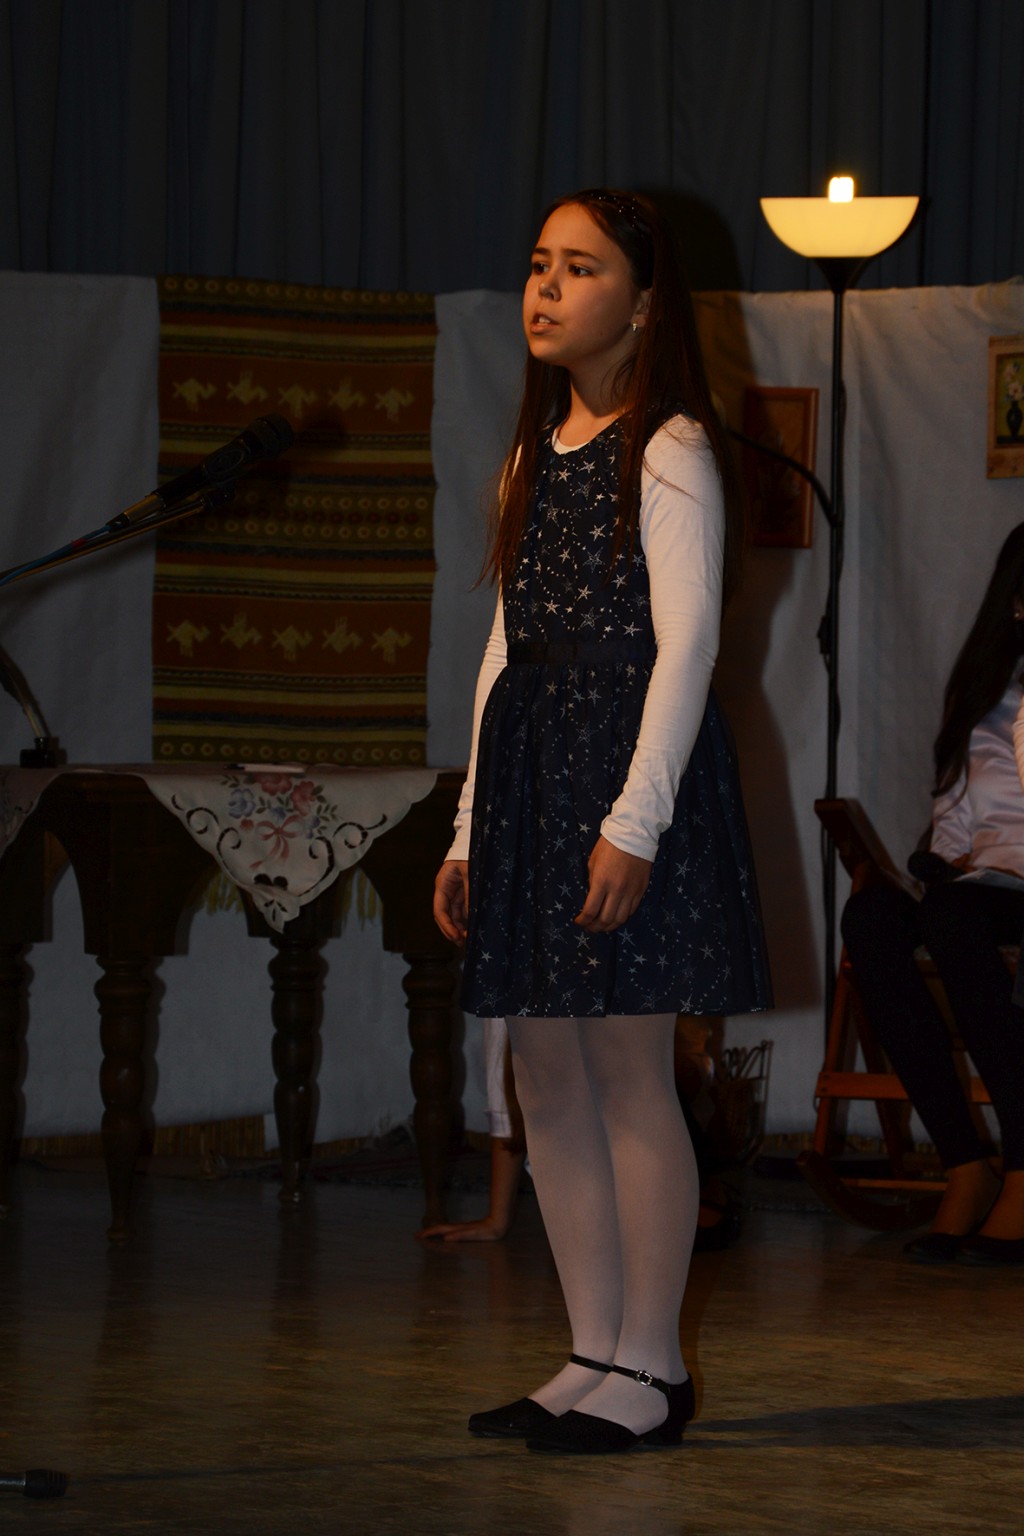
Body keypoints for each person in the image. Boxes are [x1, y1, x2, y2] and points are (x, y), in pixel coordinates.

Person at [433, 187, 771, 1455]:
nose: (546, 287)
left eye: (579, 268)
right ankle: (590, 1350)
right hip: (533, 778)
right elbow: (501, 650)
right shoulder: (532, 455)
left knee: (629, 1073)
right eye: (538, 263)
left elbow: (689, 649)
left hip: (625, 780)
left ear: (641, 304)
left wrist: (634, 823)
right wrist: (471, 825)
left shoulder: (667, 445)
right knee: (544, 1074)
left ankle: (651, 1365)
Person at [841, 522, 1024, 1267]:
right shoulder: (984, 695)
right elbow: (953, 819)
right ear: (1016, 604)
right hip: (981, 887)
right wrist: (936, 864)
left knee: (954, 914)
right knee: (872, 917)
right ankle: (965, 1165)